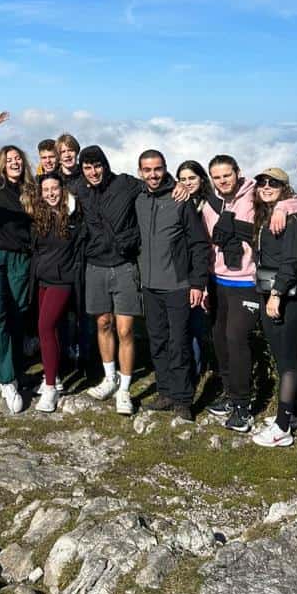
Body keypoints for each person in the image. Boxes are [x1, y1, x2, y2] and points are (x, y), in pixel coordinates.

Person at [201, 155, 297, 432]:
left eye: (227, 175)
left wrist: (282, 207)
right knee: (220, 340)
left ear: (238, 173)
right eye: (217, 177)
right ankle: (230, 394)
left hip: (246, 283)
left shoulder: (253, 195)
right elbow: (206, 243)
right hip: (218, 281)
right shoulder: (210, 204)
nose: (223, 181)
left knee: (236, 339)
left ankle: (243, 407)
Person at [135, 151, 209, 421]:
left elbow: (199, 244)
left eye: (157, 169)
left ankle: (183, 400)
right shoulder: (139, 198)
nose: (153, 174)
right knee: (157, 342)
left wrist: (197, 282)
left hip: (178, 285)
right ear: (140, 172)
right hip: (149, 286)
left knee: (179, 344)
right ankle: (165, 392)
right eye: (147, 170)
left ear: (165, 168)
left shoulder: (181, 200)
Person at [76, 145, 144, 416]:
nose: (93, 172)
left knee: (125, 329)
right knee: (103, 323)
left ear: (105, 165)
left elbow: (154, 184)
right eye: (88, 168)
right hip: (95, 265)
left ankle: (124, 390)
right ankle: (109, 378)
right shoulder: (79, 190)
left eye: (97, 166)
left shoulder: (125, 183)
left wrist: (180, 187)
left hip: (124, 264)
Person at [249, 168, 297, 448]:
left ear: (284, 187)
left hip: (284, 297)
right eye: (262, 182)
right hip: (270, 293)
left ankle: (283, 428)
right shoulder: (267, 215)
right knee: (285, 357)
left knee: (286, 361)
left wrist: (277, 294)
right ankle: (296, 414)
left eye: (273, 183)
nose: (266, 186)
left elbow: (291, 261)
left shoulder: (290, 218)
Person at [0, 146, 37, 414]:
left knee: (18, 313)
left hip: (20, 257)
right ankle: (6, 379)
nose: (14, 162)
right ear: (1, 164)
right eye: (9, 159)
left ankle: (15, 366)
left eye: (18, 159)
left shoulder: (30, 191)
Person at [30, 172, 84, 413]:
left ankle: (51, 388)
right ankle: (53, 376)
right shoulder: (40, 217)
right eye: (46, 190)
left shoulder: (73, 216)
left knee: (45, 327)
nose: (51, 193)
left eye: (55, 188)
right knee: (49, 330)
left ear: (62, 190)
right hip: (42, 280)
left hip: (62, 281)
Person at [176, 159, 216, 376]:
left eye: (192, 178)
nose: (187, 183)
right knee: (189, 322)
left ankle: (203, 366)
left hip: (208, 269)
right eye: (182, 179)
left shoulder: (210, 204)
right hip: (185, 270)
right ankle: (194, 367)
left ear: (202, 179)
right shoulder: (180, 202)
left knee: (201, 323)